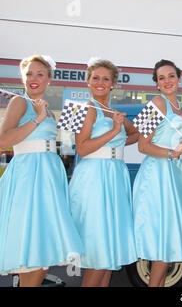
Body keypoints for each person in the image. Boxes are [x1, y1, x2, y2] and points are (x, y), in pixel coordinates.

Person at [0, 55, 84, 286]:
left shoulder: (49, 111)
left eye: (40, 74)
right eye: (29, 74)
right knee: (31, 248)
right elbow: (4, 140)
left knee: (43, 251)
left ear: (49, 79)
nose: (33, 79)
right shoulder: (20, 102)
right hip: (29, 177)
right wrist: (36, 119)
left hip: (48, 177)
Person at [132, 59, 182, 287]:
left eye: (170, 76)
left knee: (167, 242)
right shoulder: (155, 103)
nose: (167, 81)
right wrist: (171, 153)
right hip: (156, 176)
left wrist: (181, 158)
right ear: (157, 84)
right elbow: (142, 145)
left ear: (179, 79)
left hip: (176, 177)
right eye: (161, 78)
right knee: (159, 239)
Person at [69, 58, 139, 287]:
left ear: (113, 84)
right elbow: (82, 147)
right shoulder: (84, 108)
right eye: (95, 78)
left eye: (105, 79)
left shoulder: (113, 111)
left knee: (109, 249)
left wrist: (123, 130)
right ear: (88, 81)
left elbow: (135, 135)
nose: (100, 82)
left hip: (115, 177)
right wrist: (115, 130)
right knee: (98, 249)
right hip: (95, 179)